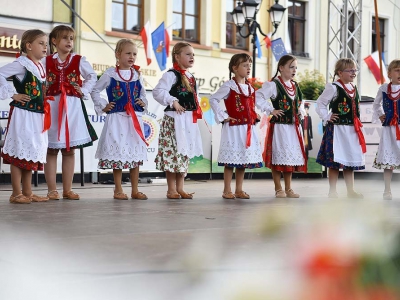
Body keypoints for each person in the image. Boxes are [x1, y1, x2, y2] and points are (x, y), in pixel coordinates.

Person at [43, 25, 98, 200]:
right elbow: (39, 78)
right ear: (54, 41)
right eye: (65, 38)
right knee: (51, 149)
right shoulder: (46, 60)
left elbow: (92, 77)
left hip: (72, 106)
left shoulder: (79, 60)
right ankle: (52, 189)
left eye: (72, 38)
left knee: (69, 149)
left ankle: (67, 189)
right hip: (52, 106)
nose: (69, 41)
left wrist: (82, 90)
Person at [91, 39, 148, 200]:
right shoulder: (110, 74)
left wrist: (143, 102)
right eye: (128, 53)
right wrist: (104, 105)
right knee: (118, 153)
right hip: (117, 118)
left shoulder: (137, 75)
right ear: (118, 54)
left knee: (135, 154)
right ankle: (118, 189)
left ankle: (135, 189)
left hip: (134, 119)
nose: (132, 57)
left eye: (134, 54)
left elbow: (142, 94)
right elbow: (95, 90)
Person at [0, 29, 50, 203]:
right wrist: (13, 94)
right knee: (19, 151)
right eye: (41, 43)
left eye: (47, 43)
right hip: (22, 114)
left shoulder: (40, 66)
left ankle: (28, 192)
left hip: (37, 115)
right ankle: (16, 193)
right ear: (29, 46)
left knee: (30, 151)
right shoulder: (21, 63)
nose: (46, 47)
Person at [152, 42, 203, 199]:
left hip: (187, 120)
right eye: (188, 54)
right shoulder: (171, 75)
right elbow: (158, 91)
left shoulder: (191, 77)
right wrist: (173, 101)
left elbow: (193, 97)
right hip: (174, 121)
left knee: (183, 154)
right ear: (177, 56)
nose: (191, 57)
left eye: (193, 54)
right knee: (172, 154)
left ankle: (180, 188)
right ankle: (170, 189)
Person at [209, 53, 262, 199]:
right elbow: (213, 99)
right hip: (233, 128)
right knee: (230, 161)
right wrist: (224, 116)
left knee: (242, 160)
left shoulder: (251, 88)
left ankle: (239, 189)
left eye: (249, 65)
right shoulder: (229, 86)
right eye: (245, 65)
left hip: (247, 128)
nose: (248, 68)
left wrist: (255, 114)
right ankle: (227, 190)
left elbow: (249, 106)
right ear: (235, 68)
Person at [256, 54, 307, 198]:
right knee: (279, 157)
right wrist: (271, 110)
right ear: (281, 68)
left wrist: (300, 111)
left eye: (296, 67)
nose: (294, 70)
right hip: (280, 127)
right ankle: (278, 188)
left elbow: (300, 101)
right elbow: (258, 96)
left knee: (289, 157)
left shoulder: (295, 85)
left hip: (293, 127)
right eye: (291, 67)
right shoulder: (273, 85)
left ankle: (289, 188)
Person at [316, 58, 365, 198]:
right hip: (337, 130)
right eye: (350, 70)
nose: (353, 73)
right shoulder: (333, 87)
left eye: (355, 70)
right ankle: (332, 191)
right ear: (340, 72)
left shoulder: (353, 88)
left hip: (352, 130)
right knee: (335, 162)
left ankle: (351, 191)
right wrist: (327, 117)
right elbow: (320, 104)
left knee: (349, 161)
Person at [372, 59, 400, 200]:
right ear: (389, 73)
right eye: (397, 70)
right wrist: (380, 115)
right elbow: (376, 104)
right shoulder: (384, 88)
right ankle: (387, 190)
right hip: (389, 129)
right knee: (388, 161)